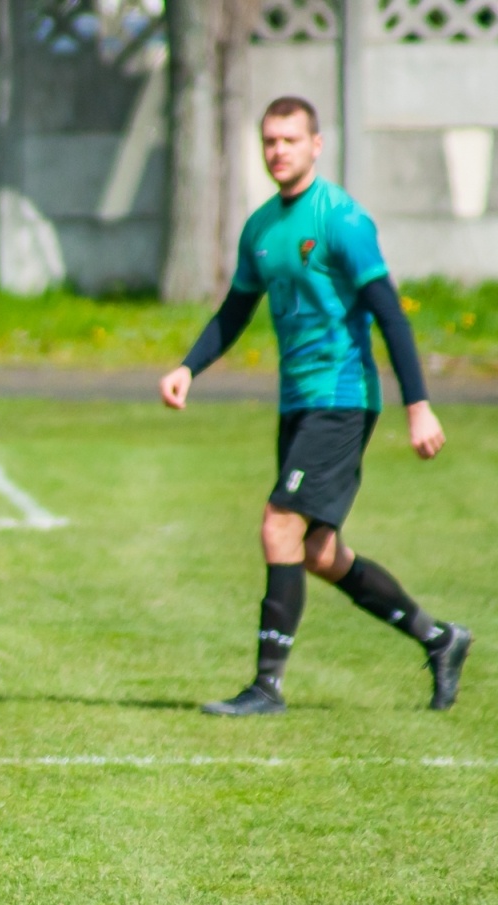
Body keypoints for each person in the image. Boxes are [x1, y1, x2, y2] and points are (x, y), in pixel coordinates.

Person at [159, 96, 471, 716]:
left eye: (290, 140)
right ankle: (440, 638)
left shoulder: (341, 220)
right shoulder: (260, 229)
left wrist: (419, 405)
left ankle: (266, 687)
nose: (278, 151)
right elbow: (235, 312)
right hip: (298, 402)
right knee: (318, 552)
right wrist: (188, 367)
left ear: (316, 145)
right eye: (270, 141)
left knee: (279, 523)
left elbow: (388, 312)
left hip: (343, 398)